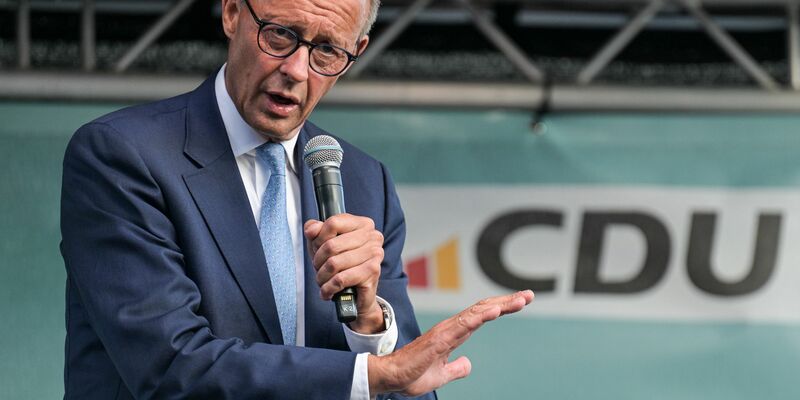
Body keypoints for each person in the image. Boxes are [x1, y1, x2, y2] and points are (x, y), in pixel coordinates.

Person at [59, 0, 534, 398]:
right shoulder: (122, 154)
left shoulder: (365, 181)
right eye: (280, 34)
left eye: (327, 50)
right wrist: (374, 375)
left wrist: (369, 323)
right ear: (231, 13)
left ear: (357, 51)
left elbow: (409, 382)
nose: (296, 69)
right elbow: (168, 366)